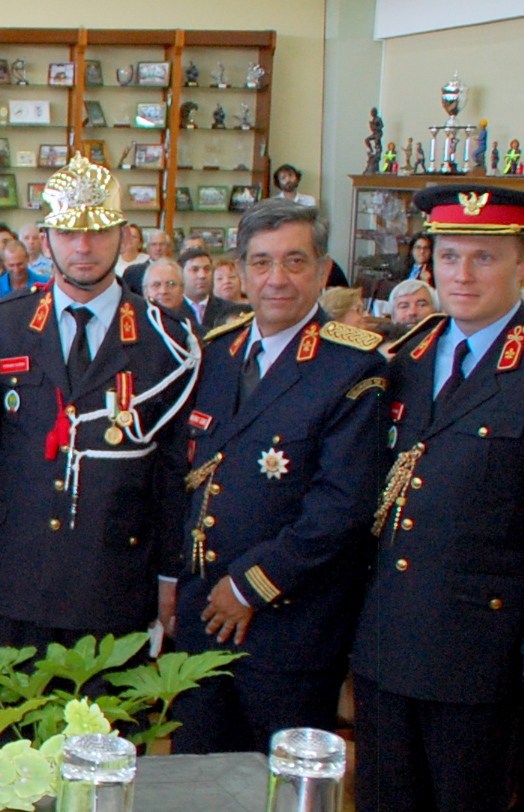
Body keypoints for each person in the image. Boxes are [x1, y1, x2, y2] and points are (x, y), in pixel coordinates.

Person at [353, 184, 524, 812]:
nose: (462, 275)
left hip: (487, 658)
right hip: (389, 641)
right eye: (449, 257)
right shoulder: (409, 356)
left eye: (485, 258)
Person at [0, 157, 199, 652]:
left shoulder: (164, 338)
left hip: (115, 585)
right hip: (19, 581)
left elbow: (171, 475)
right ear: (46, 238)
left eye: (99, 232)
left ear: (124, 235)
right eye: (68, 232)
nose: (83, 247)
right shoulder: (8, 324)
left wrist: (170, 575)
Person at [166, 199, 389, 755]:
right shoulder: (218, 354)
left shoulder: (355, 367)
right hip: (201, 618)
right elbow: (185, 479)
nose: (277, 279)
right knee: (196, 780)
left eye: (294, 262)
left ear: (321, 270)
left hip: (289, 625)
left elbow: (342, 509)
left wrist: (248, 586)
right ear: (239, 272)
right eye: (261, 263)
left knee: (277, 784)